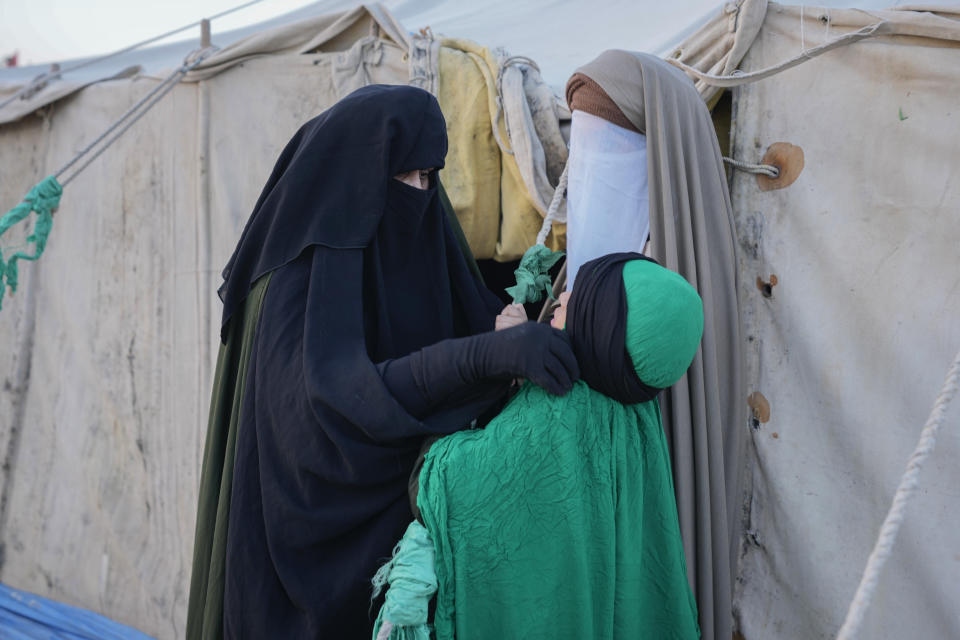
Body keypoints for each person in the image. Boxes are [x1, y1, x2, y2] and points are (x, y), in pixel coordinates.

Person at [185, 84, 579, 640]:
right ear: (361, 174)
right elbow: (332, 403)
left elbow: (464, 316)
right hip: (297, 565)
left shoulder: (414, 238)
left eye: (430, 177)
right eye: (410, 177)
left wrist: (539, 302)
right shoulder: (291, 282)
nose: (424, 193)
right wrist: (485, 355)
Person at [373, 252, 704, 639]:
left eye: (581, 297)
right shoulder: (639, 412)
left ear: (604, 323)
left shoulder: (555, 411)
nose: (562, 296)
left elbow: (439, 490)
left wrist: (497, 363)